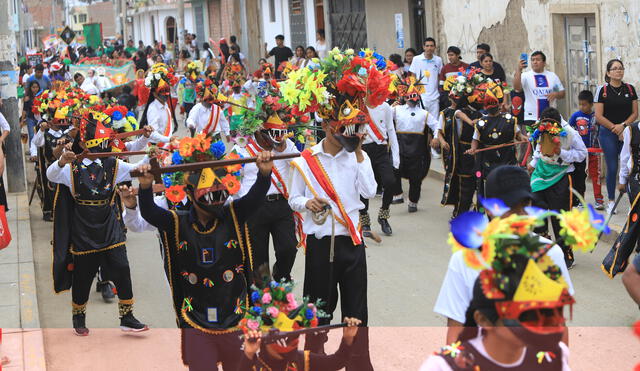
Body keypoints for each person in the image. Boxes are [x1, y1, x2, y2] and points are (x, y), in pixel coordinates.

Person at [136, 135, 274, 370]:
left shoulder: (234, 214)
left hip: (235, 316)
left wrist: (264, 174)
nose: (216, 195)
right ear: (189, 193)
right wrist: (145, 186)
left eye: (220, 190)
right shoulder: (176, 222)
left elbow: (255, 199)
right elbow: (150, 213)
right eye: (207, 190)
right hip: (196, 318)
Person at [433, 165, 575, 346]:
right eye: (508, 207)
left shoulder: (550, 253)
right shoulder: (465, 259)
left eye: (524, 205)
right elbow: (456, 328)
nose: (519, 215)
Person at [47, 112, 150, 336]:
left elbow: (138, 168)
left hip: (109, 224)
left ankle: (127, 316)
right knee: (84, 274)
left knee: (122, 268)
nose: (102, 149)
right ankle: (79, 316)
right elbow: (51, 176)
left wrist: (153, 154)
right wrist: (60, 161)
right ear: (84, 144)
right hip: (83, 227)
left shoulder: (113, 164)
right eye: (98, 145)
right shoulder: (71, 168)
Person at [232, 106, 300, 282]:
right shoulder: (242, 149)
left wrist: (283, 147)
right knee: (258, 259)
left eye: (280, 133)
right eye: (273, 133)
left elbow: (300, 164)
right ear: (260, 131)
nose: (277, 138)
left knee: (289, 248)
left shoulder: (286, 145)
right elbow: (232, 181)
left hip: (280, 204)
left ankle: (281, 275)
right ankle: (263, 297)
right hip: (254, 208)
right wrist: (243, 204)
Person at [238, 274, 360, 371]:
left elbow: (336, 362)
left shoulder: (299, 360)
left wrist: (348, 337)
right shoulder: (255, 366)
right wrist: (248, 354)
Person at [529, 107, 587, 268]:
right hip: (540, 174)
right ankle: (543, 251)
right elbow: (539, 147)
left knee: (559, 218)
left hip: (561, 176)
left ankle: (566, 256)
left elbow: (582, 153)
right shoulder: (540, 128)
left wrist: (562, 153)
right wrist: (533, 162)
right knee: (538, 213)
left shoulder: (570, 133)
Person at [466, 82, 528, 200]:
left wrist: (524, 139)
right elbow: (475, 139)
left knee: (509, 187)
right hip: (489, 161)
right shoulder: (481, 123)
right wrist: (473, 149)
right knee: (493, 189)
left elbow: (519, 135)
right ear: (485, 108)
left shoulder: (509, 120)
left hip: (508, 158)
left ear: (499, 105)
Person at [594, 59, 638, 215]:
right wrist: (615, 128)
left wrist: (624, 127)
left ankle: (633, 201)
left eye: (621, 68)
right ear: (608, 73)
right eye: (615, 69)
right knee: (612, 167)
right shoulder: (602, 90)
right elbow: (598, 116)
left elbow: (635, 113)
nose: (618, 71)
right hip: (608, 132)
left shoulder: (630, 89)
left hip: (627, 132)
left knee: (630, 166)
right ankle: (611, 201)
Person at [603, 112, 640, 278]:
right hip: (636, 182)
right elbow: (626, 157)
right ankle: (618, 260)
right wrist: (623, 180)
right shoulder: (631, 130)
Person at [393, 82, 441, 212]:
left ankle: (413, 202)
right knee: (395, 170)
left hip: (417, 148)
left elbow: (437, 125)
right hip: (400, 146)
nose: (412, 98)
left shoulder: (424, 113)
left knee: (416, 178)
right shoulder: (396, 110)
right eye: (410, 95)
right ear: (405, 96)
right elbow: (384, 117)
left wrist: (436, 137)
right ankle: (397, 194)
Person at [438, 91, 481, 218]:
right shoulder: (455, 112)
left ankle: (474, 210)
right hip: (460, 152)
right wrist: (442, 141)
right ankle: (459, 212)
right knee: (463, 183)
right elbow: (440, 130)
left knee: (477, 182)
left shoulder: (479, 113)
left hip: (477, 152)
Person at [359, 100, 399, 237]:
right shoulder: (359, 103)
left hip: (381, 150)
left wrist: (396, 155)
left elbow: (391, 129)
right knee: (363, 186)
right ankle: (364, 220)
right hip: (364, 149)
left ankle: (383, 216)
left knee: (390, 181)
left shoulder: (385, 106)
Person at [568, 90, 603, 209]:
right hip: (580, 154)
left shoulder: (596, 117)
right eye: (580, 104)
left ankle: (599, 200)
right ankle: (580, 200)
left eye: (585, 104)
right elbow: (569, 131)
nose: (582, 107)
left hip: (593, 152)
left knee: (596, 176)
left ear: (591, 104)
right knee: (579, 176)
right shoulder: (575, 116)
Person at [513, 51, 565, 129]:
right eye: (533, 60)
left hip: (550, 116)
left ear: (544, 63)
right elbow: (517, 88)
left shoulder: (552, 76)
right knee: (532, 140)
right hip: (531, 117)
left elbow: (562, 93)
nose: (535, 62)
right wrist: (519, 70)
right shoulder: (525, 75)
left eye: (537, 60)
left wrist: (556, 94)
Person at [140, 63, 177, 146]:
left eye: (167, 90)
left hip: (166, 146)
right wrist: (168, 139)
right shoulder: (153, 108)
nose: (166, 94)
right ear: (154, 93)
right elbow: (152, 133)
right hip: (156, 148)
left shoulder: (166, 106)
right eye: (162, 91)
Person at [409, 37, 443, 117]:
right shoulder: (416, 59)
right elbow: (413, 76)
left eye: (431, 46)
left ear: (435, 47)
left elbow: (439, 76)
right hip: (421, 97)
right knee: (422, 122)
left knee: (435, 122)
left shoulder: (438, 60)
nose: (429, 48)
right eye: (427, 46)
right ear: (423, 47)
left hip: (434, 97)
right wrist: (416, 92)